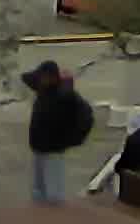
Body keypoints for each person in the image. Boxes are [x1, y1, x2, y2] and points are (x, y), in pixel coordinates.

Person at [24, 60, 97, 203]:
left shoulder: (65, 95)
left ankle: (55, 215)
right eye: (40, 77)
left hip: (54, 151)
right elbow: (26, 78)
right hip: (38, 149)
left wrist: (73, 139)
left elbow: (86, 116)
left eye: (44, 77)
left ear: (52, 77)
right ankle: (41, 214)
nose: (41, 80)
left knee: (53, 195)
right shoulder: (43, 90)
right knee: (38, 194)